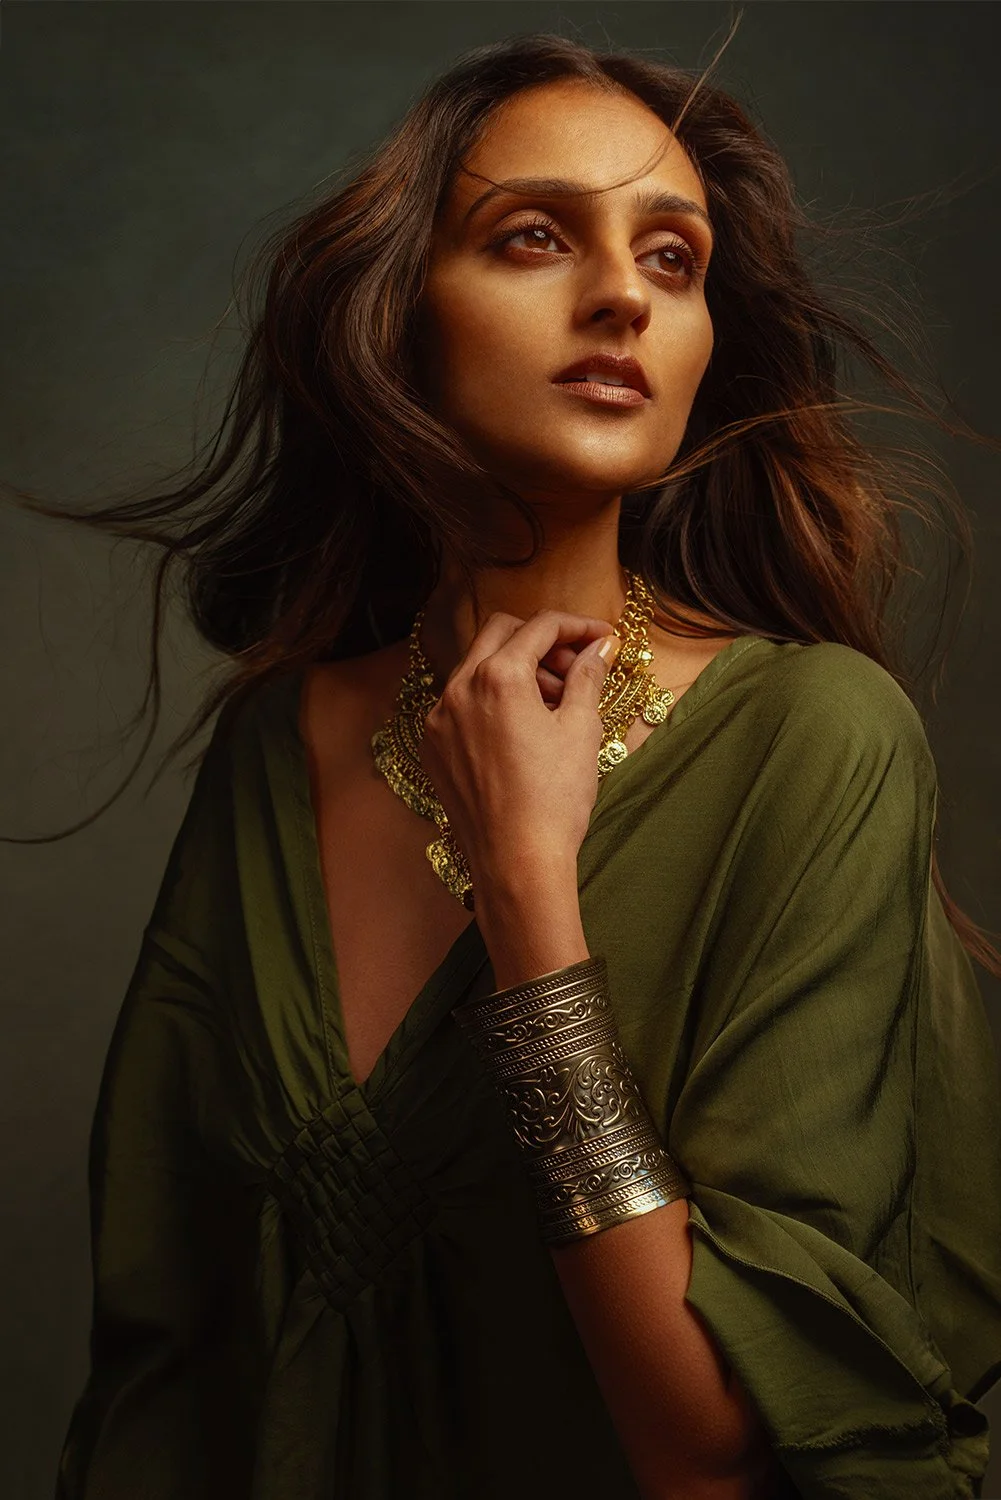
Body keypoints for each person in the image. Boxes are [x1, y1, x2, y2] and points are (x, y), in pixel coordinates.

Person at [41, 30, 1001, 1500]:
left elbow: (711, 1453)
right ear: (402, 314)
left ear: (702, 356)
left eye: (674, 260)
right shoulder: (273, 749)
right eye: (535, 236)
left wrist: (527, 889)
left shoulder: (818, 738)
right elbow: (163, 1364)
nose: (621, 291)